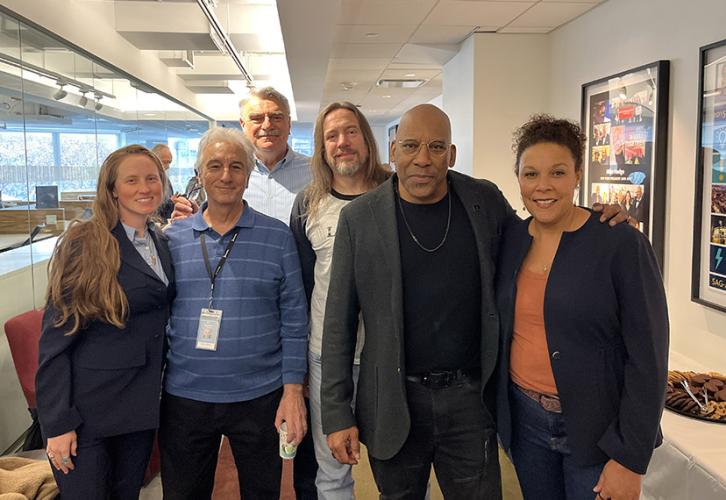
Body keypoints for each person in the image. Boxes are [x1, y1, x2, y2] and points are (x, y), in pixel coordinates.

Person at [320, 104, 629, 500]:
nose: (422, 159)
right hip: (394, 401)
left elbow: (536, 233)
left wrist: (595, 222)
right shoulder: (360, 219)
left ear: (451, 155)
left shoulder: (482, 200)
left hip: (470, 400)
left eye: (436, 147)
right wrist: (336, 413)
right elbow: (337, 325)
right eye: (411, 146)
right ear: (393, 151)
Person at [495, 115, 668, 500]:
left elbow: (649, 358)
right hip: (526, 423)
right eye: (530, 174)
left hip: (596, 431)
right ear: (518, 179)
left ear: (577, 174)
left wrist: (629, 457)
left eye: (557, 172)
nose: (542, 186)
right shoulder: (509, 238)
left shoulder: (619, 244)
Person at [171, 86, 318, 498]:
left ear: (248, 174)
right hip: (185, 396)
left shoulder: (277, 237)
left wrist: (293, 389)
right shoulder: (174, 239)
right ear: (200, 176)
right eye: (214, 166)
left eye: (236, 166)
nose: (225, 175)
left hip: (259, 394)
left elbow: (293, 316)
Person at [36, 145, 175, 498]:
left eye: (152, 178)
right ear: (112, 188)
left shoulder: (159, 240)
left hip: (139, 406)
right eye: (132, 180)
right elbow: (56, 339)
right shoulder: (87, 242)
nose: (145, 187)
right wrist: (57, 423)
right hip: (88, 413)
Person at [290, 101, 390, 499]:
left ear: (366, 138)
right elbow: (299, 286)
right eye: (331, 136)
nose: (342, 142)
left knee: (395, 469)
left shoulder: (397, 193)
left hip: (387, 357)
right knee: (330, 472)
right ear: (321, 147)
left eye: (350, 131)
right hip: (326, 359)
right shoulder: (308, 204)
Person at [239, 86, 312, 222]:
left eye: (276, 117)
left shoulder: (316, 172)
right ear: (243, 124)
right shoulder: (231, 175)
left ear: (289, 124)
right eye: (257, 118)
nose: (267, 125)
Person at [152, 143, 175, 220]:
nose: (168, 166)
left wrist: (174, 201)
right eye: (165, 162)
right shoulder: (146, 182)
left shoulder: (166, 180)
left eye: (169, 162)